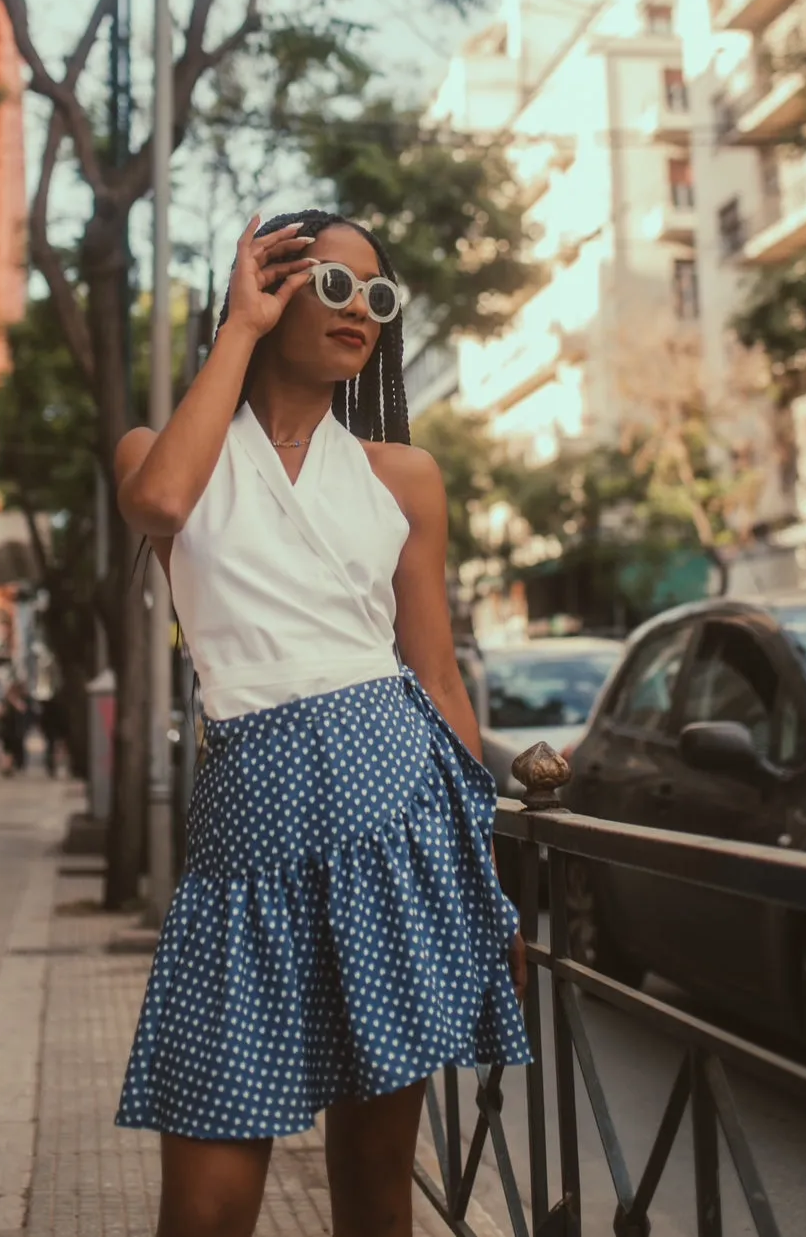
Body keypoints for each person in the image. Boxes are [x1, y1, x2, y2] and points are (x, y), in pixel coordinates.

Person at [113, 211, 530, 1237]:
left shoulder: (404, 477)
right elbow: (163, 505)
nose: (361, 313)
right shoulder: (164, 454)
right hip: (244, 844)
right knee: (204, 1208)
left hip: (397, 828)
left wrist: (488, 880)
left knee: (378, 1179)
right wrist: (236, 331)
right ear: (269, 283)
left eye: (377, 298)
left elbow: (436, 678)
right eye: (334, 287)